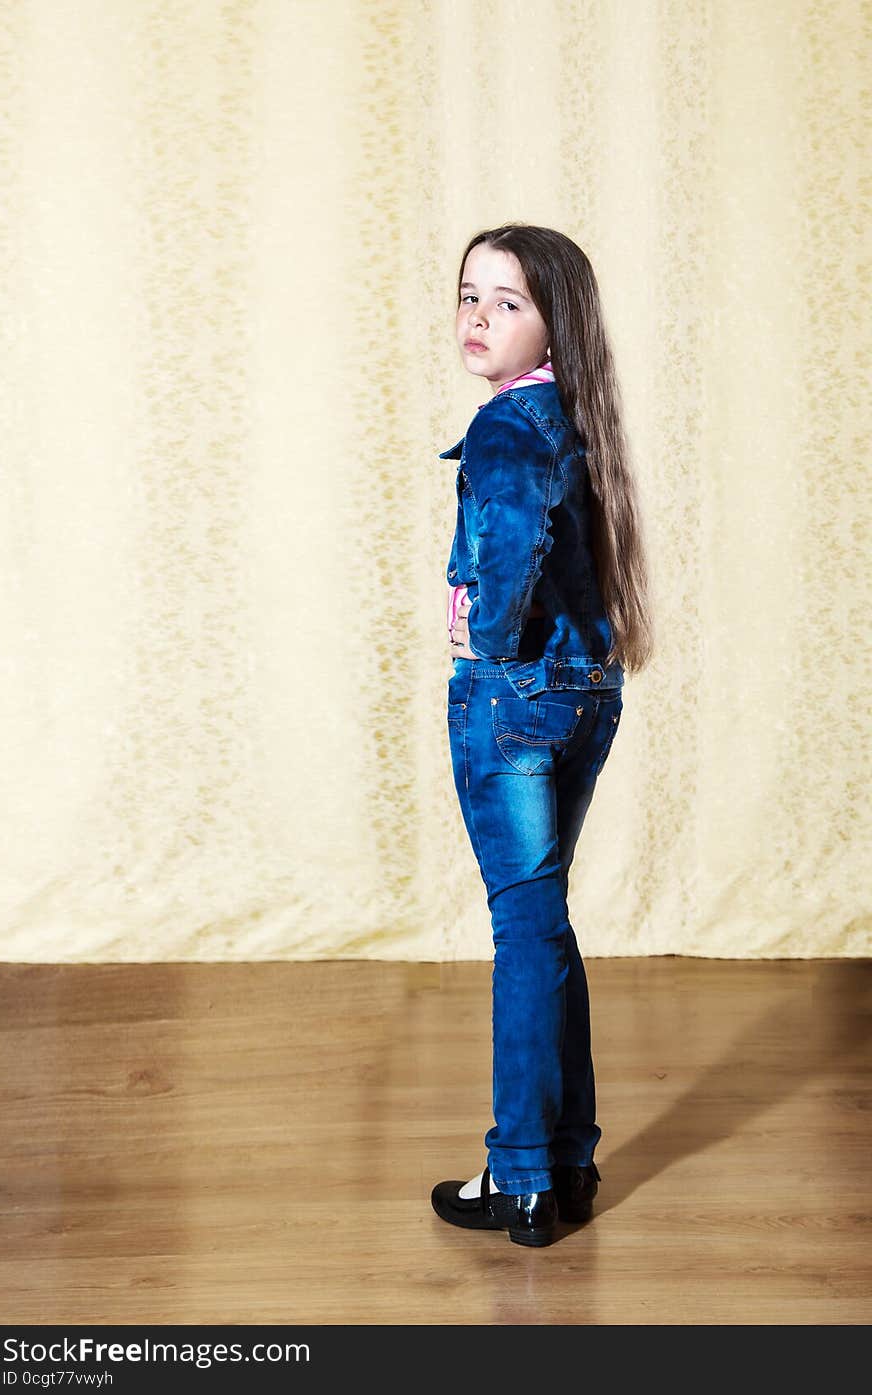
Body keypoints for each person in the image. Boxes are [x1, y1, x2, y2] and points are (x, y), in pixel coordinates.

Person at [431, 223, 654, 1247]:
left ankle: (518, 1173)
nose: (477, 317)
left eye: (506, 303)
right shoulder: (572, 417)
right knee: (547, 922)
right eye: (468, 296)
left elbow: (512, 545)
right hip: (583, 689)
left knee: (522, 928)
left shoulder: (502, 429)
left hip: (513, 697)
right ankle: (565, 1159)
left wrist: (484, 628)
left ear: (552, 322)